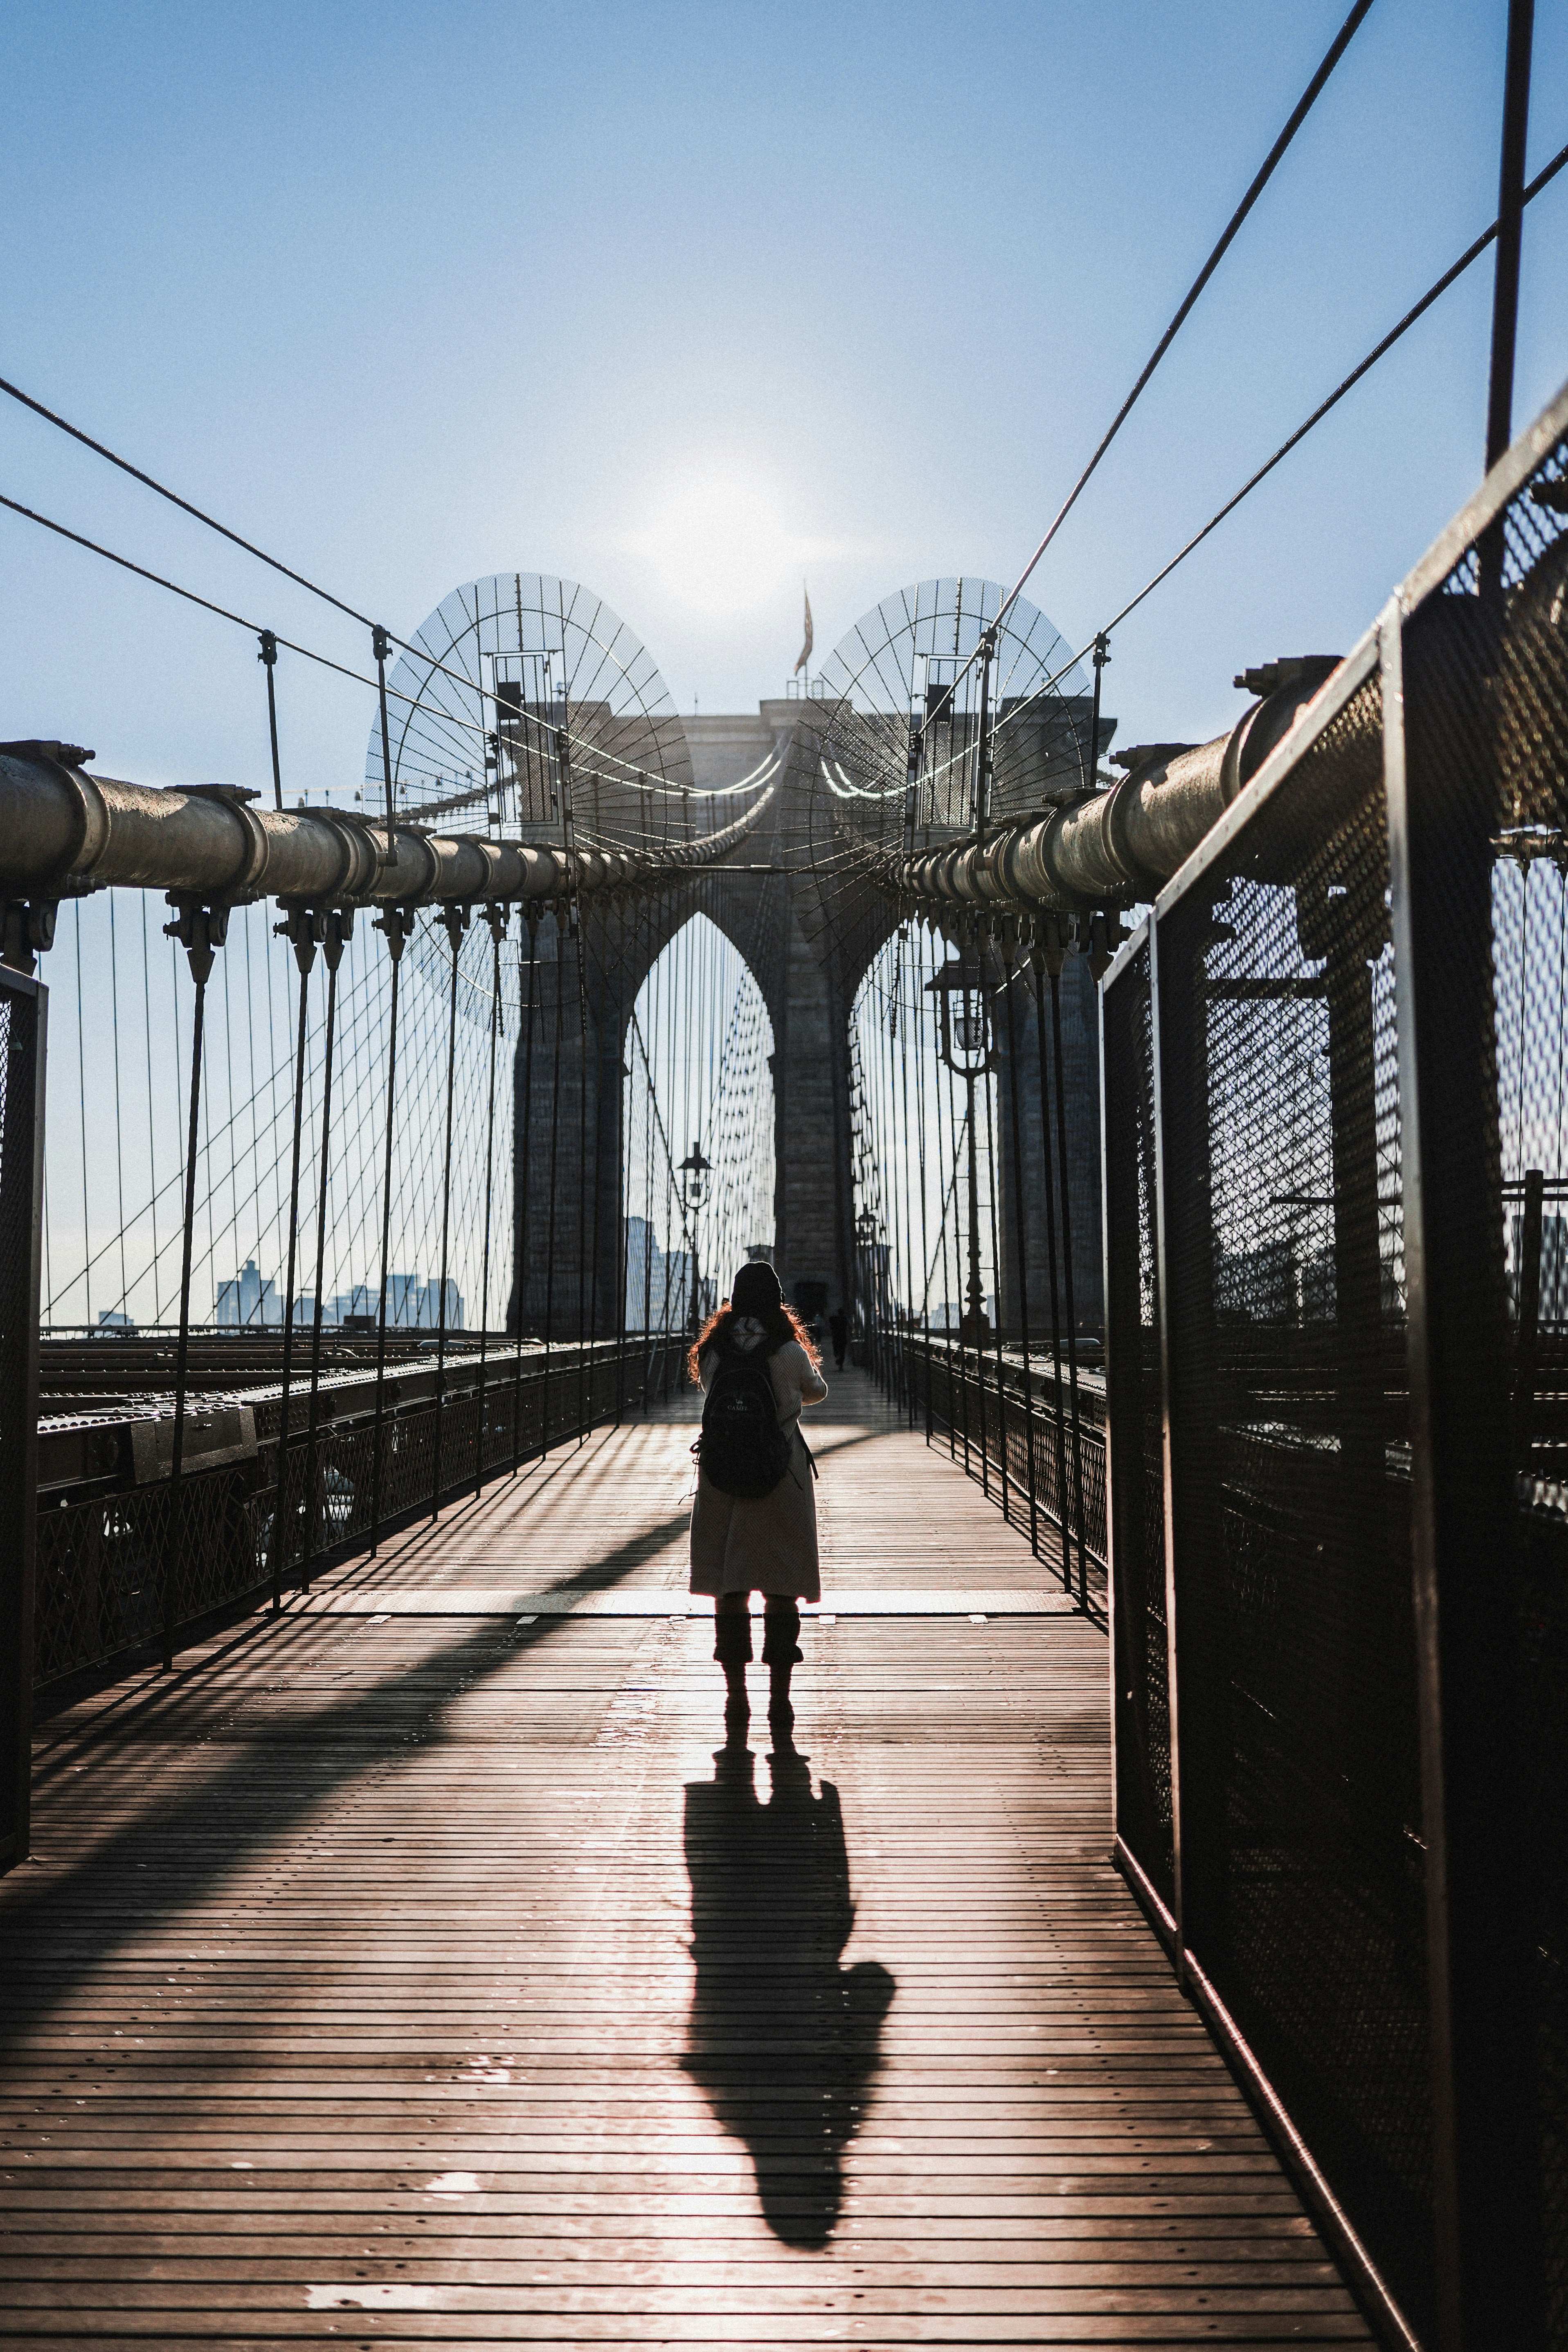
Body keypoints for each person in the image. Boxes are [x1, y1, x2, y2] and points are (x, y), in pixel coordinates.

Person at [688, 1261, 828, 1729]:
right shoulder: (789, 1350)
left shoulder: (713, 1350)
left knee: (729, 1587)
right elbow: (815, 1391)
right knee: (779, 1585)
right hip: (777, 1473)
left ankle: (735, 1697)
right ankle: (780, 1699)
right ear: (776, 1299)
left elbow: (711, 1390)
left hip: (723, 1473)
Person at [828, 1306, 848, 1371]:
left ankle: (839, 1360)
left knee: (837, 1350)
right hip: (843, 1338)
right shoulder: (845, 1319)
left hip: (836, 1338)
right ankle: (841, 1364)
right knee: (842, 1352)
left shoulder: (835, 1319)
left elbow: (831, 1322)